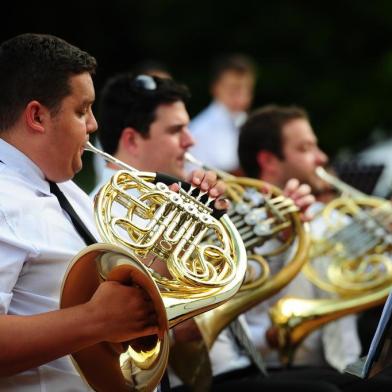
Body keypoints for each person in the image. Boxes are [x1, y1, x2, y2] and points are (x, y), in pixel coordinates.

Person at [93, 73, 347, 392]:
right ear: (131, 140)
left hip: (239, 364)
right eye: (176, 131)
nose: (191, 140)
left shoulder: (174, 196)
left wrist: (279, 235)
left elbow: (250, 280)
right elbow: (137, 320)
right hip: (199, 377)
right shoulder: (108, 214)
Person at [0, 33, 223, 392]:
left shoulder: (67, 191)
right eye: (81, 110)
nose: (94, 125)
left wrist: (185, 229)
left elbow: (125, 300)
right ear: (38, 116)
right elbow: (103, 315)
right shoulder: (4, 198)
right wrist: (93, 320)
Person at [238, 104, 391, 391]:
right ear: (269, 161)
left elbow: (370, 276)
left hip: (340, 360)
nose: (321, 157)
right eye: (305, 148)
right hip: (272, 368)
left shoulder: (328, 217)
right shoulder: (240, 223)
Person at [188, 53, 256, 174]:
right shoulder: (199, 131)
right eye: (234, 88)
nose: (241, 95)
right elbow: (193, 176)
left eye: (247, 89)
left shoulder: (250, 124)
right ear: (215, 88)